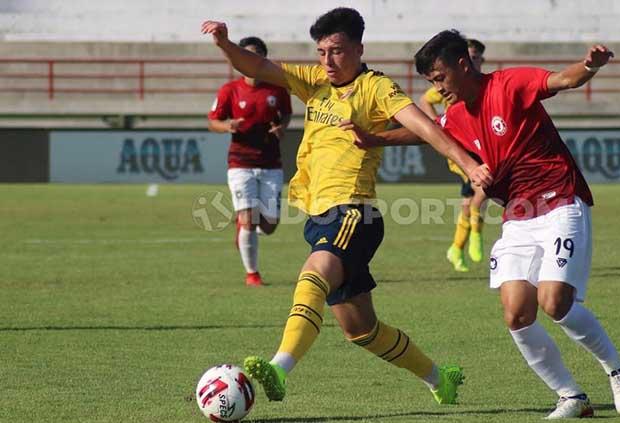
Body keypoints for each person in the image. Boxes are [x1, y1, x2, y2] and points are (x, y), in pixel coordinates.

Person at [201, 9, 492, 406]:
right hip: (319, 214)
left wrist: (469, 163)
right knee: (361, 329)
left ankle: (279, 368)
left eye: (336, 51)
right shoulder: (315, 80)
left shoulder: (376, 88)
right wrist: (223, 44)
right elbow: (256, 64)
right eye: (321, 51)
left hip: (353, 211)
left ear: (358, 48)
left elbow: (425, 125)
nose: (328, 61)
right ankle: (442, 378)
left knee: (313, 273)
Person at [350, 30, 620, 419]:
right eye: (430, 82)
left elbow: (563, 80)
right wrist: (374, 140)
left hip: (559, 202)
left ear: (462, 65)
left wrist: (590, 65)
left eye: (439, 78)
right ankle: (571, 396)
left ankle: (618, 371)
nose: (437, 88)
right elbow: (425, 135)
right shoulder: (453, 115)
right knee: (516, 314)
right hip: (518, 217)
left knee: (554, 301)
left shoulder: (509, 83)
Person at [207, 36, 292, 287]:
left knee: (270, 224)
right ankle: (252, 274)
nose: (248, 61)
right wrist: (227, 125)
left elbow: (286, 114)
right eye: (243, 56)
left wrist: (281, 127)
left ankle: (245, 227)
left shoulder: (277, 89)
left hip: (270, 163)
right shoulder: (229, 91)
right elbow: (213, 122)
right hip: (240, 162)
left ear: (263, 59)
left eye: (254, 56)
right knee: (249, 218)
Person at [417, 38, 488, 272]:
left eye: (477, 57)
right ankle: (476, 236)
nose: (473, 60)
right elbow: (425, 99)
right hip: (460, 148)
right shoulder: (449, 84)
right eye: (470, 56)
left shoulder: (483, 84)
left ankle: (456, 249)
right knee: (482, 189)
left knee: (469, 202)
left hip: (480, 144)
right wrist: (436, 125)